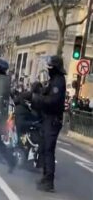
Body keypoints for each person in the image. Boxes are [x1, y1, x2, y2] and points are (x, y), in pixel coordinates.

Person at [29, 55, 66, 192]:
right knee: (45, 148)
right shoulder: (54, 80)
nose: (48, 69)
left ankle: (49, 181)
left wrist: (36, 98)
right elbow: (46, 94)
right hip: (48, 119)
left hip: (53, 119)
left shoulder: (58, 82)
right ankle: (45, 176)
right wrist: (36, 92)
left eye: (50, 67)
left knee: (49, 150)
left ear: (55, 68)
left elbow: (52, 101)